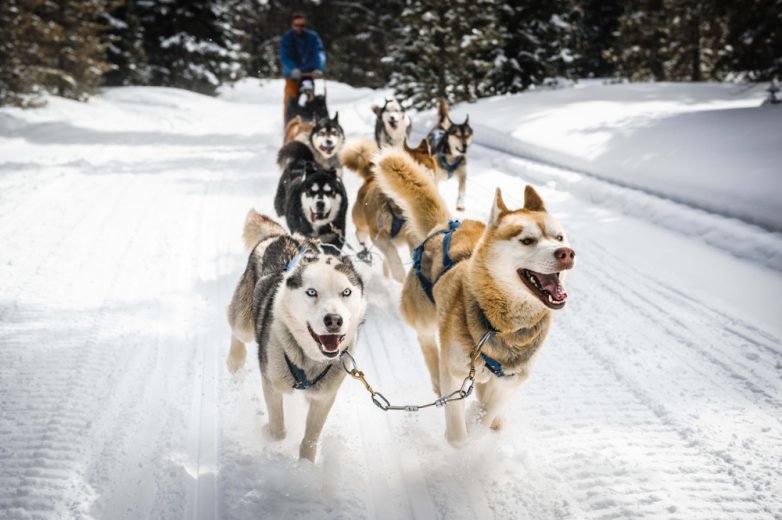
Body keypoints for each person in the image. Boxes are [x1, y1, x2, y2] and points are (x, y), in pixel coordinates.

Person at [280, 13, 326, 121]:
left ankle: (311, 121)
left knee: (312, 97)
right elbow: (284, 56)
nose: (299, 28)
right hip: (292, 74)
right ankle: (289, 123)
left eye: (302, 25)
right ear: (292, 25)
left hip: (309, 73)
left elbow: (319, 53)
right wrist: (293, 68)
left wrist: (319, 67)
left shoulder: (312, 37)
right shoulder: (287, 38)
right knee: (291, 98)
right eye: (297, 25)